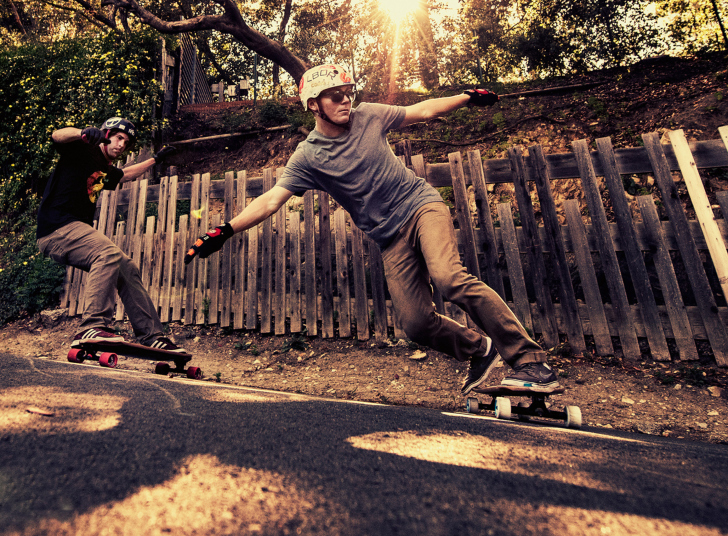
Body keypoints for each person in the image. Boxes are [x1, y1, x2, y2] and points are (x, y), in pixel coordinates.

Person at [184, 64, 559, 393]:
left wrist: (464, 97)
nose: (346, 102)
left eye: (348, 93)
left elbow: (422, 110)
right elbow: (271, 200)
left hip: (421, 206)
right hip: (389, 237)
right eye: (335, 97)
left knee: (449, 278)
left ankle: (530, 362)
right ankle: (480, 349)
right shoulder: (308, 156)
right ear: (314, 105)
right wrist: (225, 230)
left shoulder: (369, 115)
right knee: (415, 324)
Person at [37, 117, 185, 352]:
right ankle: (93, 325)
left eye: (125, 143)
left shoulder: (104, 169)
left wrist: (155, 160)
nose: (121, 145)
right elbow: (57, 135)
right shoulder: (82, 150)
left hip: (74, 230)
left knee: (126, 266)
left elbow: (125, 175)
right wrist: (81, 132)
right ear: (106, 135)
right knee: (107, 253)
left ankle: (152, 335)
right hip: (56, 229)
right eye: (118, 138)